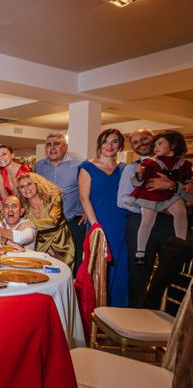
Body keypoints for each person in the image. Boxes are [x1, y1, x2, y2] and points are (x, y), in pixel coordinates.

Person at [117, 129, 178, 306]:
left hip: (169, 225)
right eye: (135, 142)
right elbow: (123, 201)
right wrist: (155, 207)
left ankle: (164, 317)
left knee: (170, 271)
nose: (140, 143)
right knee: (138, 274)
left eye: (144, 138)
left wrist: (173, 186)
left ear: (155, 139)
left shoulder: (176, 166)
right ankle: (136, 317)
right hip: (139, 224)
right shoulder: (131, 169)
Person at [78, 129, 129, 307]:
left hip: (122, 223)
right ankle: (97, 310)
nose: (109, 146)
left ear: (120, 146)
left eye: (114, 142)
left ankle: (118, 311)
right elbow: (84, 198)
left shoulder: (124, 169)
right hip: (98, 222)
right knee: (98, 266)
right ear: (100, 144)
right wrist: (95, 225)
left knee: (120, 267)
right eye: (106, 142)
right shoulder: (87, 167)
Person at [128, 131, 190, 265]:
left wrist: (188, 184)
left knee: (180, 211)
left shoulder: (184, 164)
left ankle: (181, 243)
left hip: (169, 195)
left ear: (173, 146)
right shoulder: (151, 162)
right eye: (155, 144)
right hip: (151, 194)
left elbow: (187, 180)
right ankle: (140, 250)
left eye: (160, 143)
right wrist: (139, 174)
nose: (156, 146)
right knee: (147, 221)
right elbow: (139, 180)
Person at [35, 133, 86, 274]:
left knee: (74, 262)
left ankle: (72, 293)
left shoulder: (79, 166)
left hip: (73, 222)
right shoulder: (39, 166)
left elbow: (90, 190)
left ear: (65, 147)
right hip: (47, 224)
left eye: (56, 144)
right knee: (46, 261)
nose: (52, 148)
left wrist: (87, 211)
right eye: (49, 144)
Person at [16, 173, 75, 268]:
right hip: (39, 245)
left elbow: (53, 221)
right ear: (19, 190)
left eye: (29, 184)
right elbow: (5, 212)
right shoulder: (22, 205)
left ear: (36, 184)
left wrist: (28, 224)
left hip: (61, 242)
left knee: (64, 273)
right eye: (22, 187)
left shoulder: (53, 197)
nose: (27, 189)